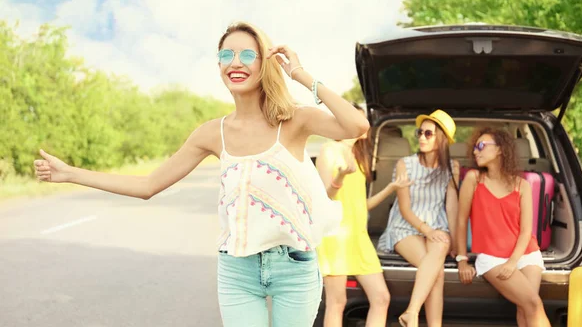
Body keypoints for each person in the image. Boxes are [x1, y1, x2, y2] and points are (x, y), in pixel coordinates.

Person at [33, 21, 370, 327]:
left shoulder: (294, 120)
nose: (235, 62)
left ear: (266, 63)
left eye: (247, 54)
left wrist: (300, 74)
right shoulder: (212, 133)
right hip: (238, 270)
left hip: (294, 267)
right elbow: (148, 185)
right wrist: (71, 173)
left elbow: (357, 124)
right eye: (227, 54)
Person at [315, 104, 413, 327]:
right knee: (337, 302)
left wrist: (391, 188)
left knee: (381, 298)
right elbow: (324, 200)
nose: (366, 124)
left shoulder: (357, 155)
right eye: (360, 120)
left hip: (359, 239)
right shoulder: (329, 150)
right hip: (335, 238)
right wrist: (338, 178)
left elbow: (361, 206)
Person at [456, 127, 550, 327]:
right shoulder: (474, 179)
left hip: (526, 253)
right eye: (474, 147)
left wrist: (513, 261)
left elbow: (526, 231)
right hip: (492, 257)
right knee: (533, 303)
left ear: (499, 149)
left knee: (526, 308)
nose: (475, 151)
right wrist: (462, 260)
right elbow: (461, 220)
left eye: (481, 146)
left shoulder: (521, 185)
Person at [377, 109, 459, 327]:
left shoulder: (452, 168)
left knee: (440, 248)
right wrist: (428, 231)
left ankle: (412, 313)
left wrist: (458, 247)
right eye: (420, 133)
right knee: (436, 272)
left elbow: (452, 207)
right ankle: (412, 313)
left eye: (428, 133)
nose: (422, 137)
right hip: (405, 226)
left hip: (437, 225)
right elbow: (404, 209)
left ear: (441, 138)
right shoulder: (405, 164)